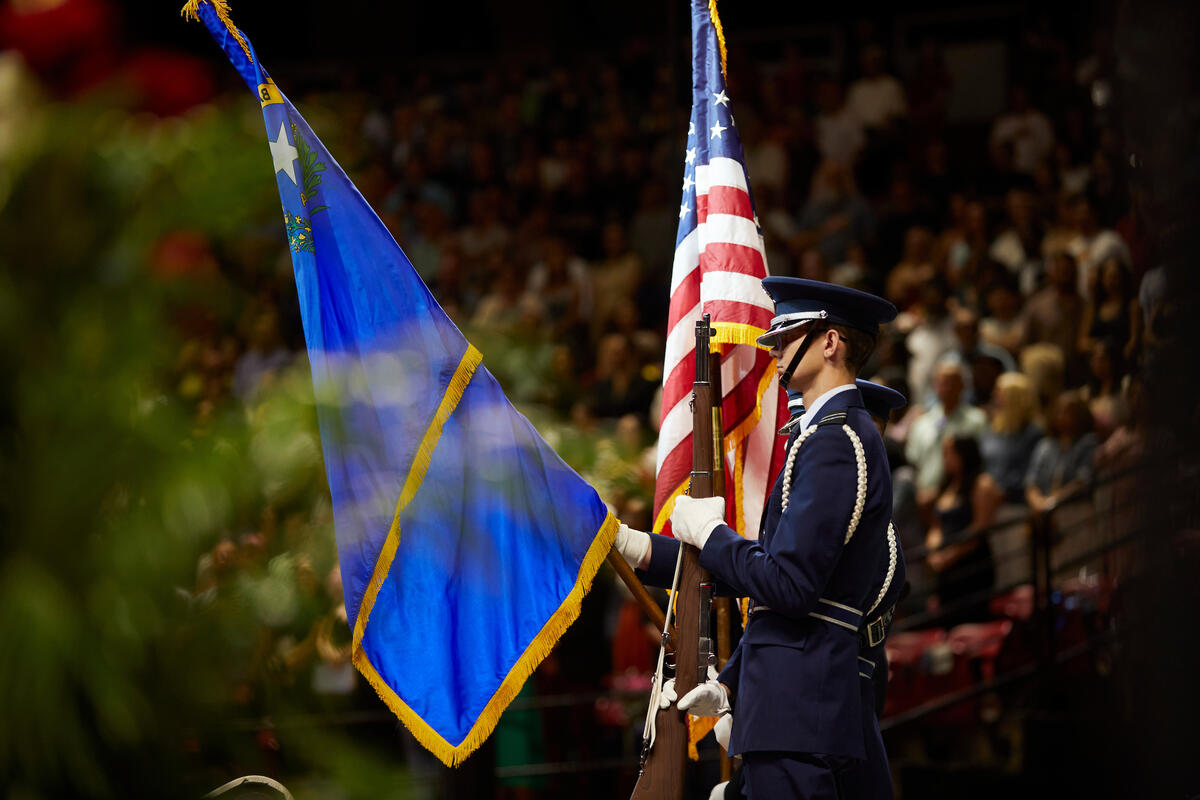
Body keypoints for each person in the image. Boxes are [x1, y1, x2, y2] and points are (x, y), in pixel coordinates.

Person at [615, 277, 898, 799]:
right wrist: (635, 546)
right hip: (785, 703)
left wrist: (713, 533)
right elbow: (775, 585)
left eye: (787, 337)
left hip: (798, 703)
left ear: (831, 342)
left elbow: (787, 585)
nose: (775, 350)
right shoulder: (825, 439)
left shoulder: (836, 441)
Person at [924, 435, 1002, 626]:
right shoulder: (946, 486)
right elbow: (936, 526)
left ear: (964, 454)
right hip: (946, 568)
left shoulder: (982, 483)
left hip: (971, 564)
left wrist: (950, 555)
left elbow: (979, 528)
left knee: (971, 622)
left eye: (950, 453)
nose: (946, 458)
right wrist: (933, 553)